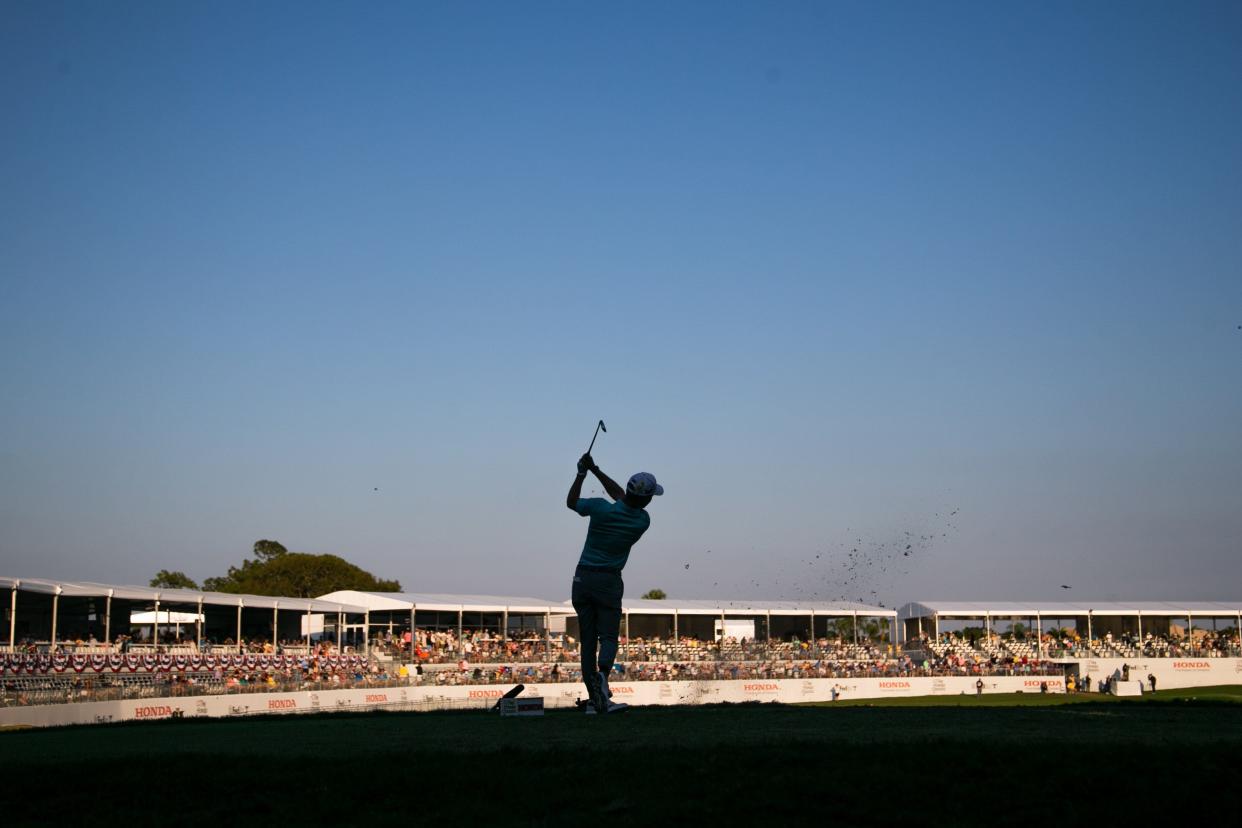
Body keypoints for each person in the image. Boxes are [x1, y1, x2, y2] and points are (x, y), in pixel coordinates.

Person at [567, 451, 662, 714]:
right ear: (645, 499)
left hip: (582, 577)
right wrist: (595, 469)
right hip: (608, 580)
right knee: (608, 636)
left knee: (588, 640)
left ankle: (594, 699)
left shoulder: (599, 508)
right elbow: (621, 496)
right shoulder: (642, 521)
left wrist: (583, 473)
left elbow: (571, 502)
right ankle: (603, 677)